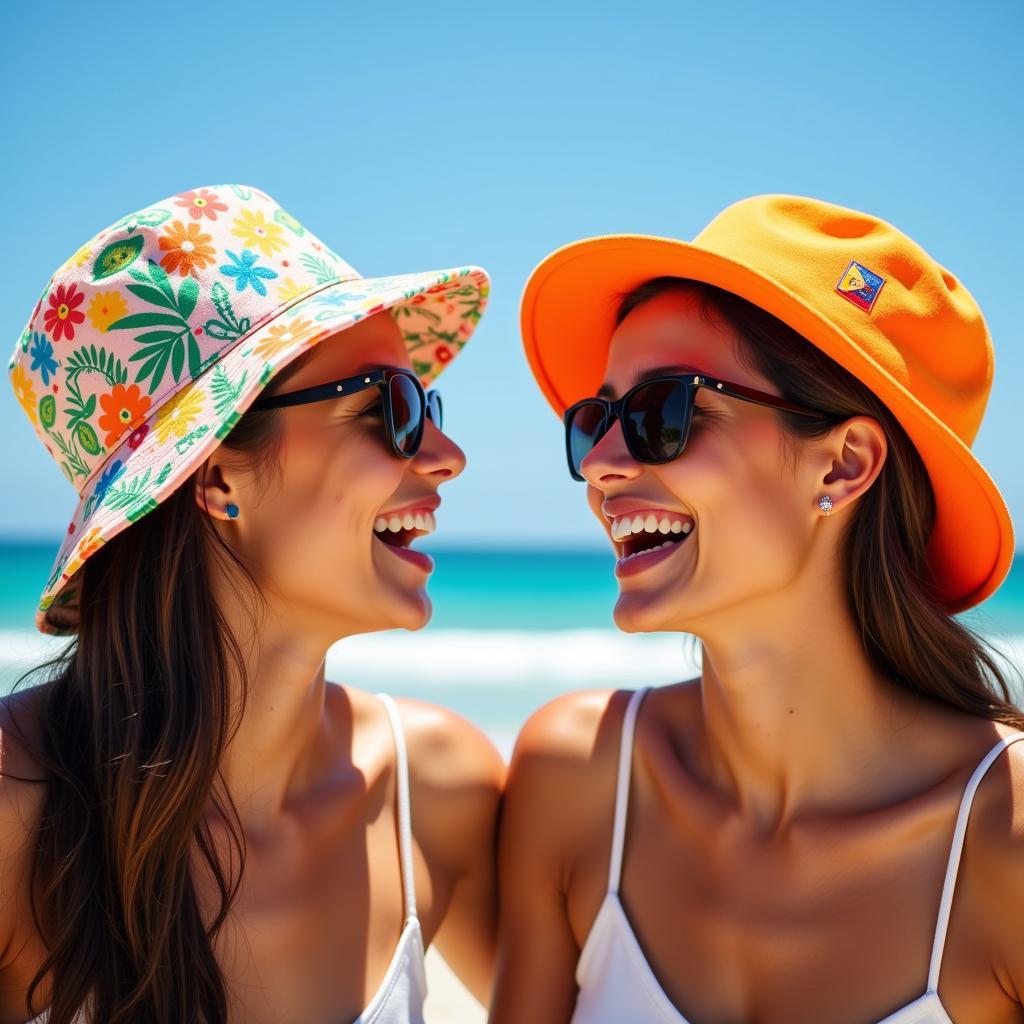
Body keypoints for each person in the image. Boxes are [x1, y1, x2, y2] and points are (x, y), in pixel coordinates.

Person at [494, 195, 1024, 1023]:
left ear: (844, 466)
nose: (598, 463)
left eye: (661, 414)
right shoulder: (578, 778)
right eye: (595, 418)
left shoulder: (1006, 838)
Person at [1, 184, 503, 1024]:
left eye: (430, 406)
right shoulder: (18, 803)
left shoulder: (440, 791)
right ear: (219, 475)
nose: (447, 454)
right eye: (393, 409)